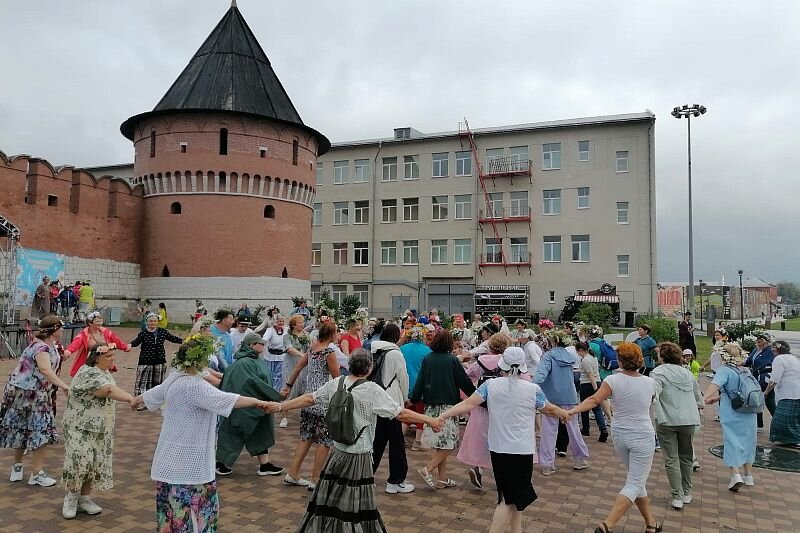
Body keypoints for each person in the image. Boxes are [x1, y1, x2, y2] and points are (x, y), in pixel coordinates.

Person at [267, 348, 439, 532]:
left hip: (338, 452)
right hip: (359, 453)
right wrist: (430, 420)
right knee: (355, 500)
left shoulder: (337, 383)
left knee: (330, 495)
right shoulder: (371, 389)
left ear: (349, 366)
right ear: (369, 368)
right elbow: (401, 414)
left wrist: (280, 406)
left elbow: (310, 398)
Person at [131, 335, 274, 532]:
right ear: (198, 360)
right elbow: (227, 400)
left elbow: (154, 393)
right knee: (194, 512)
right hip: (190, 463)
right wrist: (259, 402)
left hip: (169, 457)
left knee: (172, 511)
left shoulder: (176, 377)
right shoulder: (194, 385)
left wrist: (136, 400)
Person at [438, 347, 569, 533]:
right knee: (508, 500)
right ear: (523, 366)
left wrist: (443, 416)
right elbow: (549, 409)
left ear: (502, 365)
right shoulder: (533, 389)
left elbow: (468, 403)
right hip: (522, 450)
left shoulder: (489, 386)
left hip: (498, 449)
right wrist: (565, 413)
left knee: (512, 497)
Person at [567, 342, 662, 533]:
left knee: (636, 480)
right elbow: (651, 401)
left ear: (620, 360)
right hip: (642, 434)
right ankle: (607, 524)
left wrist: (573, 411)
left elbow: (594, 400)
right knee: (635, 482)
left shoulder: (613, 380)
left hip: (620, 435)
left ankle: (651, 523)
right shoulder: (650, 382)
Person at [60, 343, 135, 518]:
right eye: (108, 357)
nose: (112, 360)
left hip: (101, 427)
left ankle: (84, 498)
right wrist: (132, 399)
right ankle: (71, 497)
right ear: (96, 357)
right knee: (80, 460)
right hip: (79, 426)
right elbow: (107, 390)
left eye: (113, 357)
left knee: (95, 463)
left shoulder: (104, 371)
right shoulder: (88, 372)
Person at [0, 316, 69, 487]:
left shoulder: (42, 344)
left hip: (22, 391)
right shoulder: (42, 347)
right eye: (60, 327)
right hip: (33, 394)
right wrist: (65, 386)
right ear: (53, 329)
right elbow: (45, 369)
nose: (62, 330)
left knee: (21, 427)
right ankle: (36, 473)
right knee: (41, 430)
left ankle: (17, 467)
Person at [410, 330, 476, 489]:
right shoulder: (452, 360)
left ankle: (443, 479)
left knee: (442, 443)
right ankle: (428, 469)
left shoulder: (427, 359)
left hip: (430, 406)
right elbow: (463, 381)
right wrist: (476, 396)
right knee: (450, 443)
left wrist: (413, 398)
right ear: (449, 343)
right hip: (448, 406)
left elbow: (420, 380)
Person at [280, 321, 341, 489]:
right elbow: (337, 378)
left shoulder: (312, 349)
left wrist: (288, 386)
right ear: (331, 335)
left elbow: (297, 368)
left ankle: (292, 473)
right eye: (336, 332)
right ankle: (316, 479)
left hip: (308, 399)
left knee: (306, 437)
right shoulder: (329, 352)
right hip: (322, 399)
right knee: (324, 441)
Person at [215, 333, 284, 477]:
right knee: (235, 433)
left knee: (261, 432)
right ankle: (220, 462)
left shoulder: (256, 360)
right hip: (245, 406)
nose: (263, 346)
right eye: (261, 343)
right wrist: (275, 396)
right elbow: (253, 383)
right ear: (252, 345)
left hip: (259, 404)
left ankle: (264, 465)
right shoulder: (243, 363)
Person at [650, 342, 703, 509]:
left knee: (671, 458)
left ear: (663, 357)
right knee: (686, 456)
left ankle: (677, 495)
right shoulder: (687, 373)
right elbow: (698, 397)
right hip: (688, 419)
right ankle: (687, 492)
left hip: (667, 419)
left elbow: (653, 394)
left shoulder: (658, 373)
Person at [458, 333, 513, 489]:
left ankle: (479, 466)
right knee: (502, 439)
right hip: (503, 406)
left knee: (482, 437)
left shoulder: (481, 362)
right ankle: (500, 474)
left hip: (483, 404)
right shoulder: (509, 362)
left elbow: (468, 375)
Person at [533, 330, 590, 475]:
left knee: (549, 431)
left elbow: (540, 375)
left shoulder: (548, 356)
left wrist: (531, 386)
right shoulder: (570, 356)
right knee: (574, 428)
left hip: (551, 397)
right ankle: (581, 459)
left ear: (552, 341)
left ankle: (547, 464)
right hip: (569, 396)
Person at [704, 343, 757, 491]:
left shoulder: (724, 370)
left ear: (723, 356)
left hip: (732, 411)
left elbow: (714, 385)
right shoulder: (745, 370)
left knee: (732, 440)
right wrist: (716, 398)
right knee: (748, 441)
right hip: (749, 410)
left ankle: (735, 475)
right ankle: (748, 476)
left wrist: (703, 399)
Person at [370, 323, 413, 494]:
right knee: (396, 443)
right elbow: (403, 378)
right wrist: (405, 397)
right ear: (396, 336)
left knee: (376, 442)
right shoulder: (395, 353)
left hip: (376, 399)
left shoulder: (374, 350)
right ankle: (396, 481)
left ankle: (366, 476)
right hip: (392, 401)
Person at [129, 313, 184, 398]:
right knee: (142, 382)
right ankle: (141, 400)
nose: (153, 323)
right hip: (145, 361)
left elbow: (173, 339)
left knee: (158, 382)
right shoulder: (143, 333)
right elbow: (136, 342)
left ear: (157, 322)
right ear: (147, 322)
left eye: (155, 321)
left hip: (160, 361)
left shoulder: (163, 332)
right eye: (150, 321)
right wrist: (129, 345)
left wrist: (185, 341)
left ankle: (154, 400)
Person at [64, 311, 130, 377]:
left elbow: (117, 340)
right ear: (90, 323)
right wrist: (69, 350)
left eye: (101, 321)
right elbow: (75, 343)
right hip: (90, 365)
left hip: (104, 364)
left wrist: (125, 347)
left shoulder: (106, 332)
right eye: (97, 322)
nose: (100, 323)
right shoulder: (84, 335)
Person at [400, 324, 432, 450]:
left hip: (405, 385)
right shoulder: (427, 351)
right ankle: (418, 441)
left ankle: (400, 436)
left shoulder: (403, 349)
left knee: (408, 412)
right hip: (421, 387)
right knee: (421, 412)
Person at [766, 340, 800, 447]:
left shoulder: (779, 359)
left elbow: (775, 378)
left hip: (789, 392)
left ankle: (794, 440)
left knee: (784, 419)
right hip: (796, 392)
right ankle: (787, 440)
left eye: (773, 348)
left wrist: (766, 391)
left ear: (779, 349)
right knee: (793, 418)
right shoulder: (793, 358)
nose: (771, 349)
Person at [280, 315, 311, 428]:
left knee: (305, 390)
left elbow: (310, 347)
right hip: (291, 365)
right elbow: (289, 349)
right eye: (300, 323)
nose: (302, 324)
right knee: (287, 389)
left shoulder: (307, 335)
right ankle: (284, 417)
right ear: (293, 325)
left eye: (303, 322)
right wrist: (302, 355)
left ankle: (306, 417)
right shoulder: (287, 336)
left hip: (304, 366)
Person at [575, 341, 608, 442]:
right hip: (597, 382)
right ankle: (603, 428)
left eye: (577, 351)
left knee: (584, 407)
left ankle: (586, 429)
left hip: (588, 385)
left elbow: (590, 375)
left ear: (581, 350)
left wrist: (596, 390)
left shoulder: (585, 360)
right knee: (597, 408)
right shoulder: (593, 357)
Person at [744, 332, 776, 431]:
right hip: (756, 376)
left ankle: (778, 422)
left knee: (767, 400)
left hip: (765, 377)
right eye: (757, 340)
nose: (758, 342)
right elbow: (749, 360)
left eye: (760, 340)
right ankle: (759, 424)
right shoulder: (756, 350)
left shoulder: (769, 351)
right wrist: (741, 363)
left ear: (766, 341)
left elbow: (767, 363)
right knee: (758, 399)